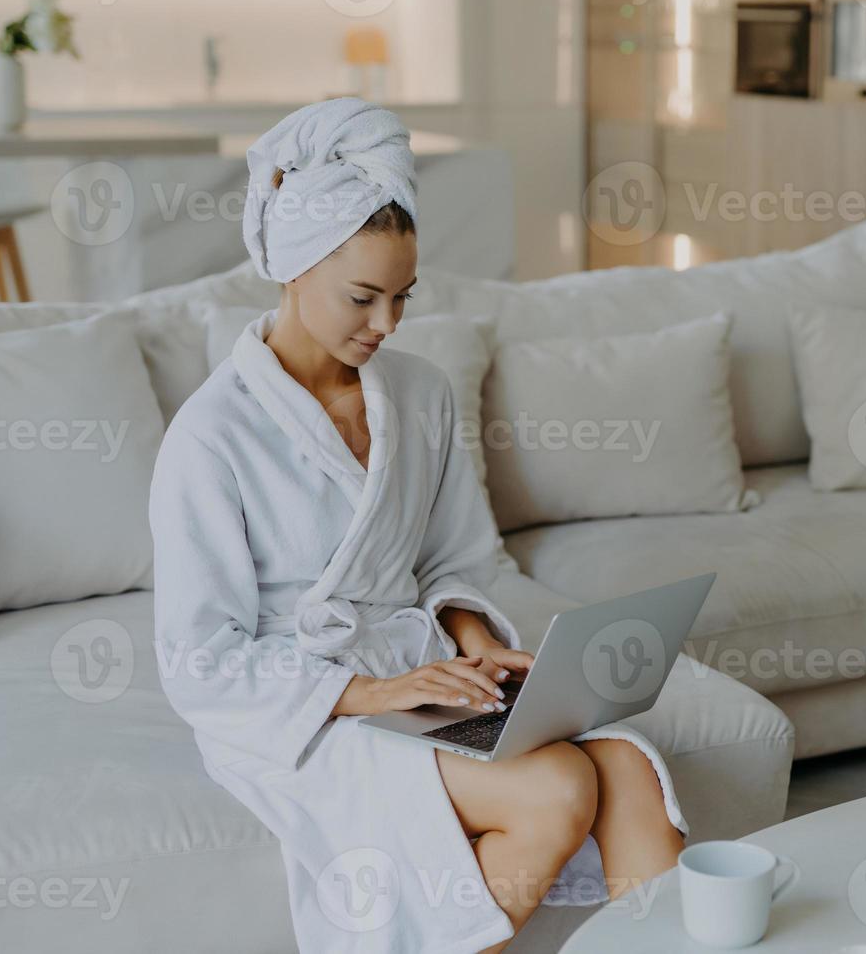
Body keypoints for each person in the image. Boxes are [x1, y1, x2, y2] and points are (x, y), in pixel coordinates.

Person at [148, 98, 685, 954]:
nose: (387, 325)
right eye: (362, 298)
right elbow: (198, 660)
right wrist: (367, 694)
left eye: (403, 297)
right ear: (293, 269)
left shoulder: (420, 393)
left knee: (627, 770)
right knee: (554, 789)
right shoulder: (213, 435)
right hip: (302, 705)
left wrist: (469, 641)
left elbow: (454, 556)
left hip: (420, 674)